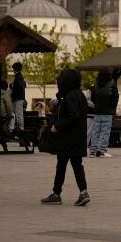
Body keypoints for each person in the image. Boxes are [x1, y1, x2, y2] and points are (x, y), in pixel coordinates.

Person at [41, 68, 90, 206]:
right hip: (77, 138)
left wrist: (57, 126)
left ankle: (56, 194)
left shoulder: (70, 96)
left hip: (68, 138)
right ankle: (83, 192)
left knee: (61, 165)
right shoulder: (79, 94)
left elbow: (72, 115)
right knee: (76, 165)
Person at [89, 67, 120, 157]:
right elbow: (116, 96)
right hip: (108, 111)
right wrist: (113, 107)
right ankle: (102, 151)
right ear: (109, 73)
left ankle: (92, 151)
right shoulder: (112, 82)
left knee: (95, 131)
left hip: (97, 110)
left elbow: (92, 97)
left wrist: (97, 104)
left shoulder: (95, 83)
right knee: (105, 132)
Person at [11, 61, 27, 136]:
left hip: (18, 98)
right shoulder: (20, 76)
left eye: (13, 68)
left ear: (15, 68)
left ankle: (20, 130)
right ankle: (19, 129)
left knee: (18, 114)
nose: (12, 70)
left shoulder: (18, 77)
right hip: (19, 98)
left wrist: (12, 86)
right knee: (17, 113)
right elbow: (24, 85)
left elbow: (21, 86)